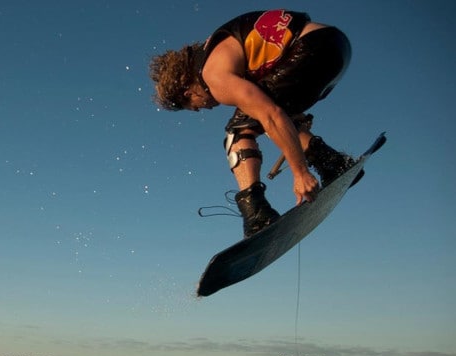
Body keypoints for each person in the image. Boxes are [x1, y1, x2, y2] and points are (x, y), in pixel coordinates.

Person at [149, 10, 361, 237]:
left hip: (312, 49)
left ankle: (257, 215)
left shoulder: (214, 76)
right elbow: (273, 118)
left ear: (187, 90)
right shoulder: (216, 51)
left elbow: (272, 114)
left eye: (193, 106)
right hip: (335, 46)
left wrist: (300, 173)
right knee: (265, 120)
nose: (203, 109)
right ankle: (331, 162)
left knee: (238, 132)